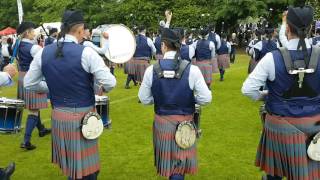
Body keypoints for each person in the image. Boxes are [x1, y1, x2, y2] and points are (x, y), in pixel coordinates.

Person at [24, 10, 116, 179]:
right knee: (88, 172)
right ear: (80, 30)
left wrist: (51, 88)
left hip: (58, 116)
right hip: (83, 118)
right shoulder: (86, 52)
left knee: (73, 168)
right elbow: (111, 82)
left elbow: (28, 83)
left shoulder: (43, 52)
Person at [242, 6, 320, 180]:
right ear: (309, 28)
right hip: (314, 126)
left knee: (275, 175)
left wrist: (266, 95)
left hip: (279, 126)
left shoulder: (272, 58)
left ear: (288, 28)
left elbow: (248, 90)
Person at [138, 28, 212, 180]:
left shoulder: (151, 69)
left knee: (171, 167)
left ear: (164, 45)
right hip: (185, 122)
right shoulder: (193, 70)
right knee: (180, 164)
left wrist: (159, 99)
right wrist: (190, 99)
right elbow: (206, 98)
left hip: (162, 123)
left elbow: (144, 98)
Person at [16, 21, 51, 150]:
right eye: (32, 31)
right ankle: (26, 141)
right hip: (32, 77)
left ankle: (41, 129)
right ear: (28, 32)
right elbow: (45, 60)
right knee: (34, 109)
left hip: (22, 76)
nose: (34, 33)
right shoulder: (33, 47)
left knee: (33, 106)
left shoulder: (18, 45)